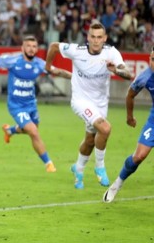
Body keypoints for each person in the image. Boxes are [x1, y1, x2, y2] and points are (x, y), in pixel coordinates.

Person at [45, 21, 134, 189]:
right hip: (80, 101)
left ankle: (78, 169)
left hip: (101, 103)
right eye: (92, 37)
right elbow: (54, 46)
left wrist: (115, 70)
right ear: (88, 37)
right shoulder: (76, 51)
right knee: (105, 128)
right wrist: (48, 66)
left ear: (105, 38)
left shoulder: (111, 53)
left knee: (90, 140)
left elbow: (128, 74)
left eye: (99, 37)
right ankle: (99, 167)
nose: (95, 40)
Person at [0, 35, 72, 172]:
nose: (31, 49)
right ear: (23, 48)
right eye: (28, 46)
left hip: (31, 104)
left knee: (32, 129)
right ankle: (49, 164)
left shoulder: (40, 64)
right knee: (33, 132)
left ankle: (10, 130)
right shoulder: (13, 61)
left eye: (34, 46)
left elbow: (57, 71)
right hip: (16, 106)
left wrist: (75, 77)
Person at [103, 47, 154, 202]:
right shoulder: (145, 77)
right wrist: (129, 117)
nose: (153, 63)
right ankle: (117, 184)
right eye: (152, 59)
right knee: (138, 156)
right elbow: (130, 95)